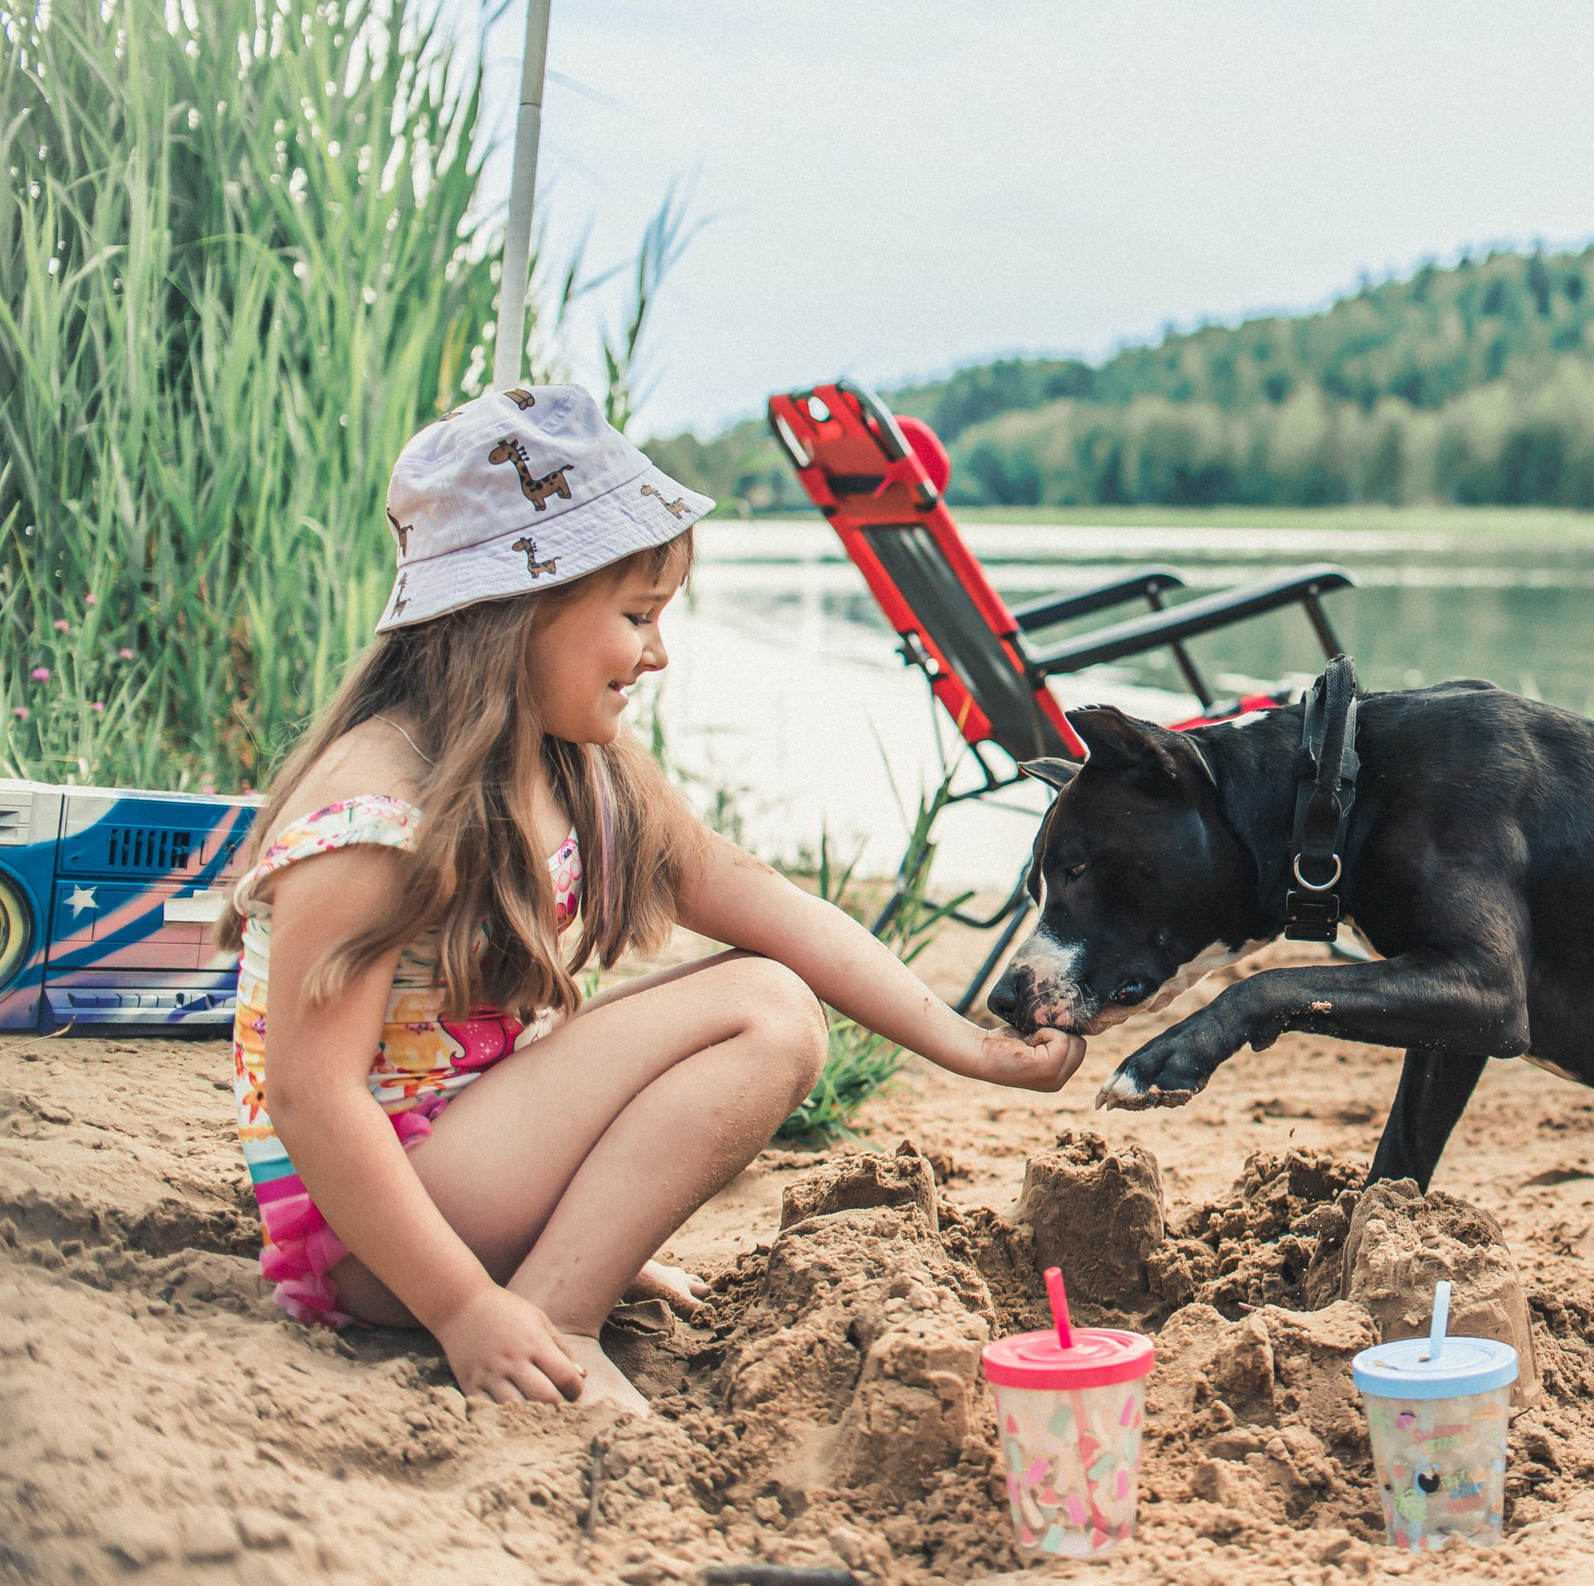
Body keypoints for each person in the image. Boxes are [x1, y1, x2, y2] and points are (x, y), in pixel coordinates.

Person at [219, 385, 1086, 1414]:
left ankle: (563, 1264)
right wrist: (465, 1308)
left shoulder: (571, 757)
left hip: (461, 1173)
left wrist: (970, 1047)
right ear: (515, 612)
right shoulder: (377, 809)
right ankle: (554, 1312)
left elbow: (754, 895)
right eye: (635, 618)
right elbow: (312, 1098)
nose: (658, 653)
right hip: (380, 1237)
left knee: (767, 988)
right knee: (765, 1008)